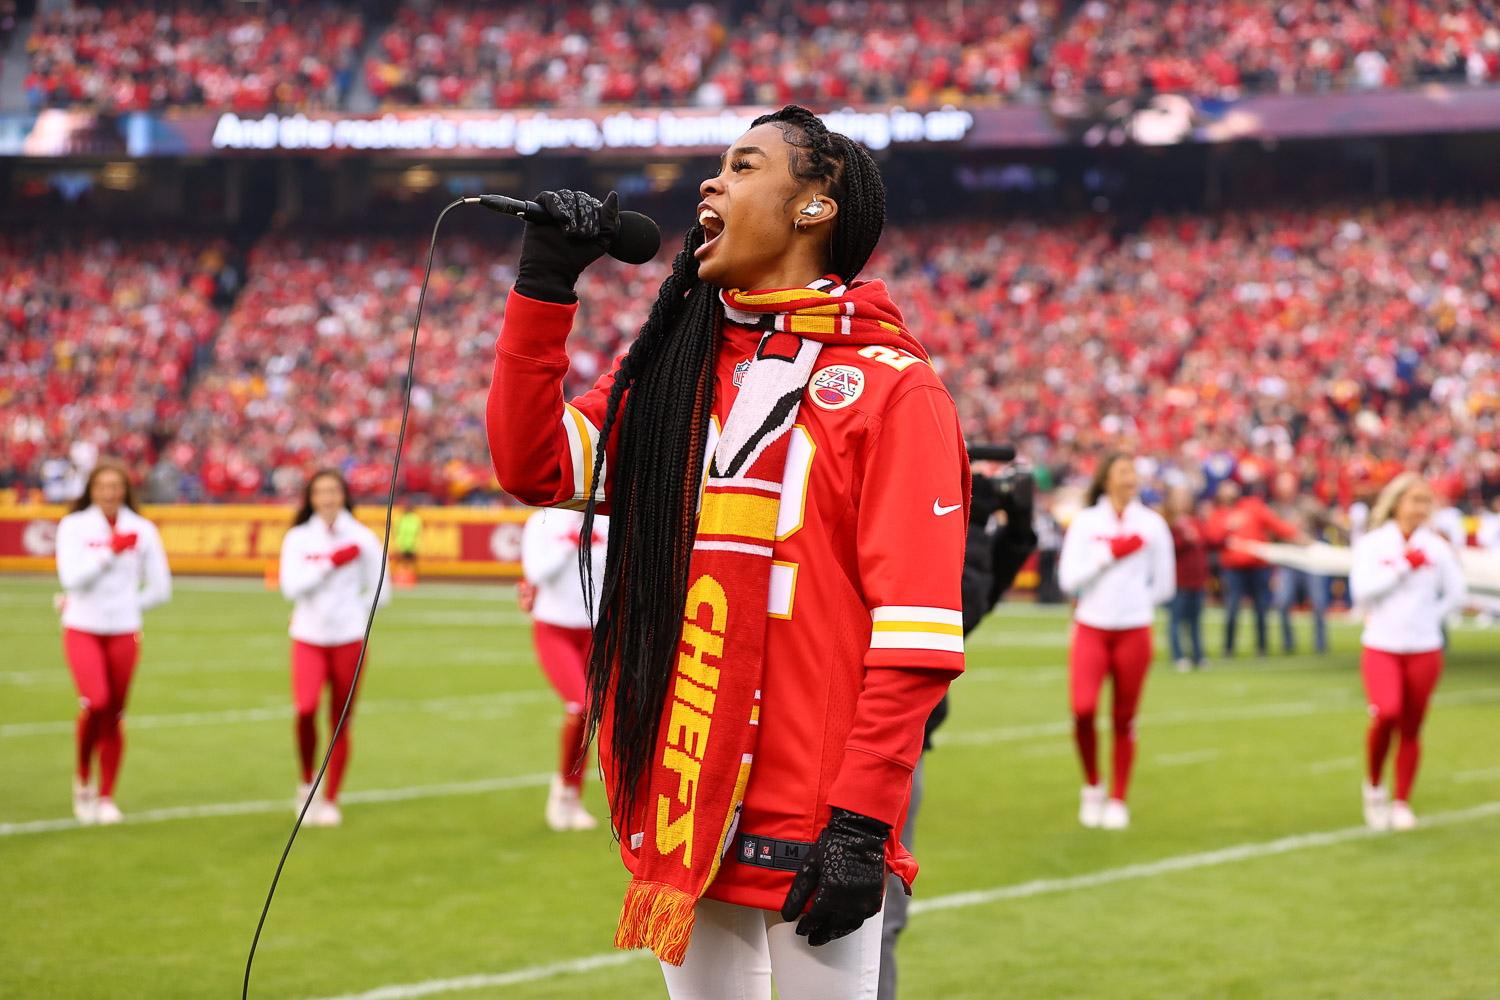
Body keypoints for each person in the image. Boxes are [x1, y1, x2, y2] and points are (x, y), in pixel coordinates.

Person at [487, 105, 969, 999]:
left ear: (814, 208)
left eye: (744, 166)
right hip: (684, 793)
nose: (712, 183)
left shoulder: (896, 389)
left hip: (817, 812)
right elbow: (535, 464)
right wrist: (545, 288)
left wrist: (862, 821)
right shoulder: (674, 367)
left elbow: (918, 637)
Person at [878, 461, 1036, 1000]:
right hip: (881, 741)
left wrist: (1014, 533)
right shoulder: (897, 521)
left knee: (873, 917)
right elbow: (951, 611)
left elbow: (974, 602)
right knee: (873, 917)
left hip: (893, 739)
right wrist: (964, 519)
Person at [1058, 453, 1175, 830]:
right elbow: (1067, 580)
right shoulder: (1087, 523)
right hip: (1091, 626)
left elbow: (1165, 585)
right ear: (1106, 478)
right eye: (1123, 471)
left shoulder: (1154, 524)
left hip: (1135, 629)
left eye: (1134, 472)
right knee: (1084, 709)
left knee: (1125, 718)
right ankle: (1093, 783)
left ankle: (1118, 798)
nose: (1131, 478)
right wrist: (1109, 556)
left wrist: (1136, 605)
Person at [55, 459, 172, 824]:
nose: (110, 493)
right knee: (96, 701)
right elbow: (71, 579)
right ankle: (83, 777)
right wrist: (109, 552)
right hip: (82, 627)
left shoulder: (143, 529)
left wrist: (127, 606)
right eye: (103, 486)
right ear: (91, 489)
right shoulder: (74, 526)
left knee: (116, 713)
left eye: (116, 486)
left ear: (126, 490)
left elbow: (161, 588)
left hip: (124, 631)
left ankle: (107, 797)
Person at [1350, 473, 1466, 832]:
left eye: (1425, 502)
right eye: (1413, 500)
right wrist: (1402, 566)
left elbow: (1457, 594)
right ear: (1396, 502)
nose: (1419, 508)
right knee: (1386, 713)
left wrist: (1431, 616)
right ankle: (1373, 786)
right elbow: (1361, 592)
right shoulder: (1373, 543)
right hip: (1382, 645)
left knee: (1412, 726)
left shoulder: (1437, 547)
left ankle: (1402, 801)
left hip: (1424, 647)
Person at [278, 469, 390, 828]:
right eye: (320, 492)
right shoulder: (297, 538)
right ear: (310, 498)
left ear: (344, 496)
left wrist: (352, 614)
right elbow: (290, 589)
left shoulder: (363, 538)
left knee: (341, 721)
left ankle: (330, 799)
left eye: (333, 491)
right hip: (308, 638)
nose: (327, 498)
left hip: (349, 640)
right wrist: (329, 564)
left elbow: (382, 592)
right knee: (306, 709)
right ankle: (307, 782)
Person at [519, 506, 609, 832]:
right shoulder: (541, 520)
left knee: (592, 712)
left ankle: (574, 796)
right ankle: (562, 791)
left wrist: (596, 547)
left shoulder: (606, 518)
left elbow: (612, 574)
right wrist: (570, 544)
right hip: (554, 628)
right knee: (580, 704)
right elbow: (536, 574)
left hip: (595, 629)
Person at [1205, 480, 1307, 658]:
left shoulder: (1252, 506)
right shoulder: (1217, 514)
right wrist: (1228, 528)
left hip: (1258, 566)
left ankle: (1262, 647)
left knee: (1261, 608)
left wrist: (1297, 536)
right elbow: (1212, 540)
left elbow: (1275, 524)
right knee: (1232, 608)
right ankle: (1228, 648)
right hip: (1233, 569)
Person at [1162, 484, 1208, 672]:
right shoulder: (1168, 522)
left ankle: (1198, 655)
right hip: (1179, 581)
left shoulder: (1195, 521)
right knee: (1176, 620)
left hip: (1196, 580)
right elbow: (1166, 548)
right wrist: (1184, 539)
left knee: (1195, 621)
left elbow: (1206, 542)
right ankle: (1178, 656)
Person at [392, 500, 422, 587]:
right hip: (402, 544)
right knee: (399, 562)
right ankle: (396, 577)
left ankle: (415, 578)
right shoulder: (400, 518)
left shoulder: (415, 518)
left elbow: (417, 531)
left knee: (412, 562)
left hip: (411, 544)